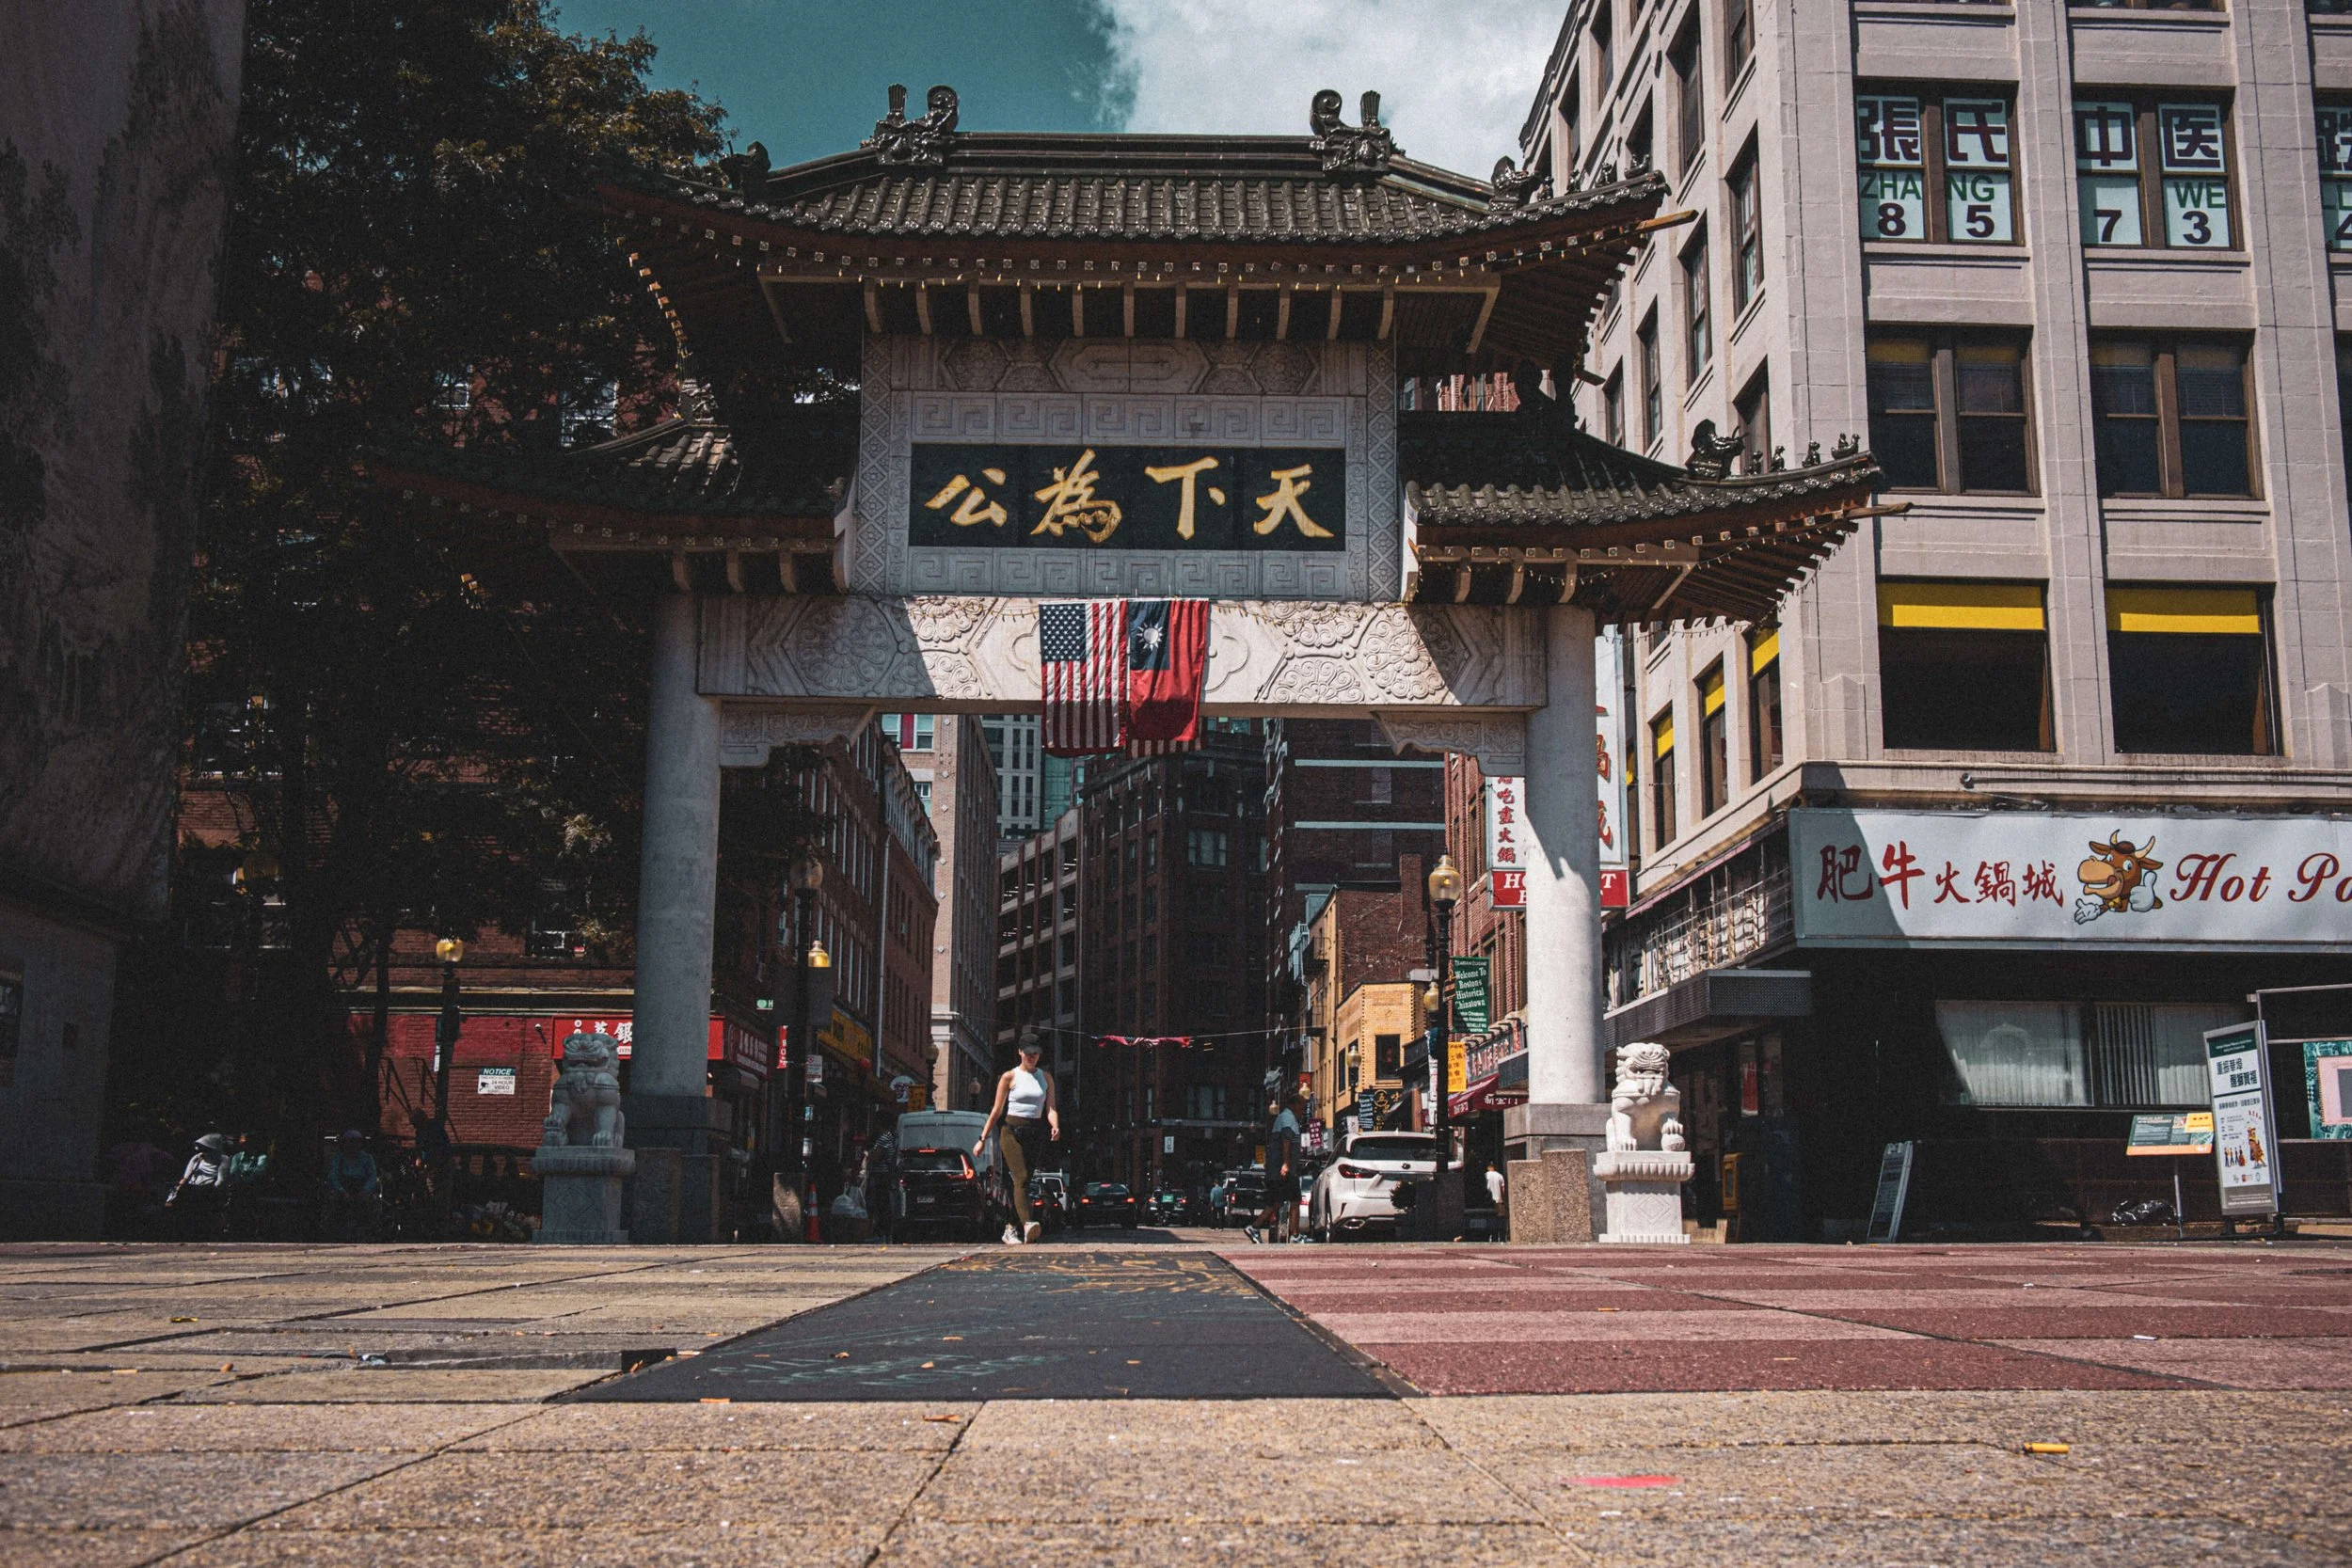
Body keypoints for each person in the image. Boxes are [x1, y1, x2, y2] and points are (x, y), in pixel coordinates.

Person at [974, 1032, 1058, 1244]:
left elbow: (1051, 1108)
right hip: (1011, 1132)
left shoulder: (1046, 1077)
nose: (1033, 1058)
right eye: (1029, 1054)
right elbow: (996, 1110)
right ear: (1020, 1052)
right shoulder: (1009, 1077)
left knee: (1024, 1183)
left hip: (1035, 1133)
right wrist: (982, 1138)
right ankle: (1028, 1224)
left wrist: (1055, 1125)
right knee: (1020, 1177)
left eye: (1036, 1054)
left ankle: (1010, 1228)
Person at [1251, 1095, 1303, 1244]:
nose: (1304, 1110)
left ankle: (1255, 1227)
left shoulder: (1284, 1118)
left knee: (1277, 1202)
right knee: (1295, 1200)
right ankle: (1295, 1236)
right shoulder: (1288, 1118)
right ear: (1295, 1105)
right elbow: (1286, 1141)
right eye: (1302, 1106)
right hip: (1284, 1170)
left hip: (1279, 1169)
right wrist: (1286, 1164)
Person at [167, 1133, 232, 1237]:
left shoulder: (223, 1159)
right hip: (194, 1188)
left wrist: (214, 1189)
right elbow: (187, 1175)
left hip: (209, 1190)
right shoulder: (197, 1158)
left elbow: (221, 1178)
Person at [323, 1129, 380, 1241]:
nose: (353, 1145)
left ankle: (370, 1231)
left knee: (372, 1203)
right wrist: (342, 1191)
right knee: (332, 1201)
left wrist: (365, 1191)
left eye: (356, 1142)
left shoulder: (367, 1158)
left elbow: (372, 1177)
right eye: (350, 1142)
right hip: (343, 1188)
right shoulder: (339, 1159)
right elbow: (333, 1177)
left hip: (362, 1188)